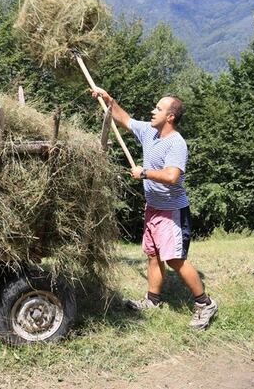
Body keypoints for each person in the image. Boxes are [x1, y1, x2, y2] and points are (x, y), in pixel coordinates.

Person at [91, 87, 218, 330]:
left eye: (158, 109)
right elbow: (125, 120)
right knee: (153, 255)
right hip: (154, 208)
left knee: (174, 259)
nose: (153, 111)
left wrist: (144, 173)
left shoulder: (176, 144)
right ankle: (153, 300)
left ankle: (205, 303)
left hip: (172, 212)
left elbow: (172, 176)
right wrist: (108, 99)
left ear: (170, 117)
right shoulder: (151, 133)